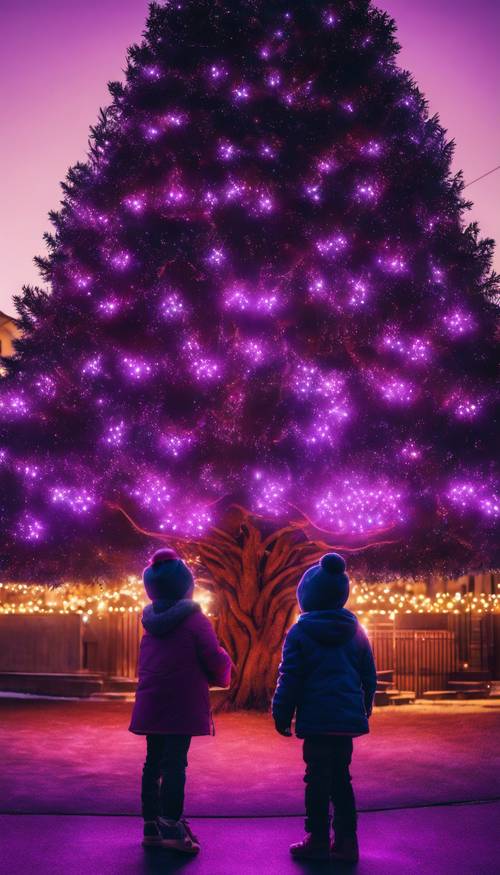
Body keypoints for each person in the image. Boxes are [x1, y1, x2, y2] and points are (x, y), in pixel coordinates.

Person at [272, 552, 377, 863]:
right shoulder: (357, 632)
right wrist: (365, 706)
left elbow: (289, 676)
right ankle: (347, 842)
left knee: (316, 779)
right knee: (342, 778)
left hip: (316, 720)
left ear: (307, 595)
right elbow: (368, 674)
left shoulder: (299, 632)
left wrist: (281, 713)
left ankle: (316, 838)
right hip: (344, 721)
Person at [129, 547, 232, 854]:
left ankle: (151, 825)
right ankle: (172, 826)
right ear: (186, 585)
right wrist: (224, 670)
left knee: (153, 762)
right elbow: (213, 657)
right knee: (175, 763)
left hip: (153, 702)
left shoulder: (150, 623)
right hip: (182, 702)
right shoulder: (195, 620)